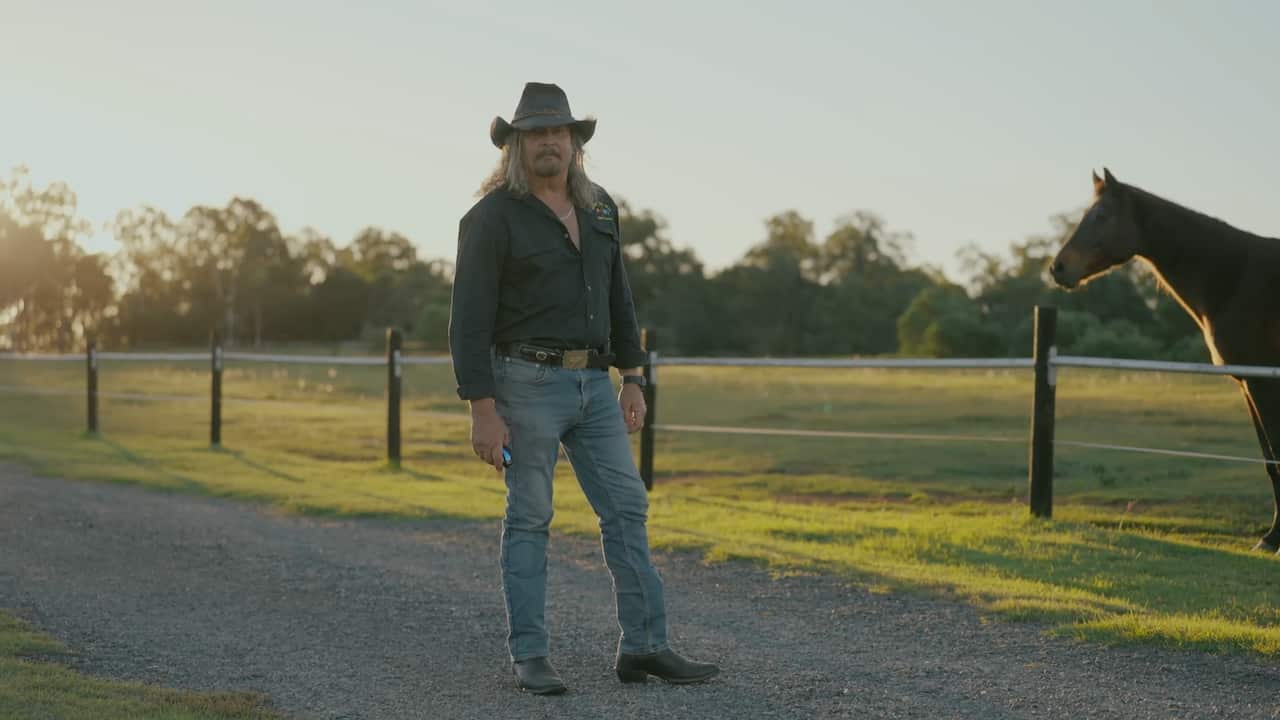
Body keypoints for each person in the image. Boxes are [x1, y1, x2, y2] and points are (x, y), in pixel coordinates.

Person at [448, 82, 719, 695]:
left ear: (575, 144)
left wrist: (633, 376)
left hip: (596, 386)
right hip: (525, 383)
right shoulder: (490, 218)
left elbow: (620, 297)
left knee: (627, 508)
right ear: (515, 147)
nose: (550, 142)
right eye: (536, 133)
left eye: (560, 132)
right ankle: (532, 658)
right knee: (531, 518)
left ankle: (645, 647)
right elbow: (468, 321)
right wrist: (482, 412)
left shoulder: (601, 211)